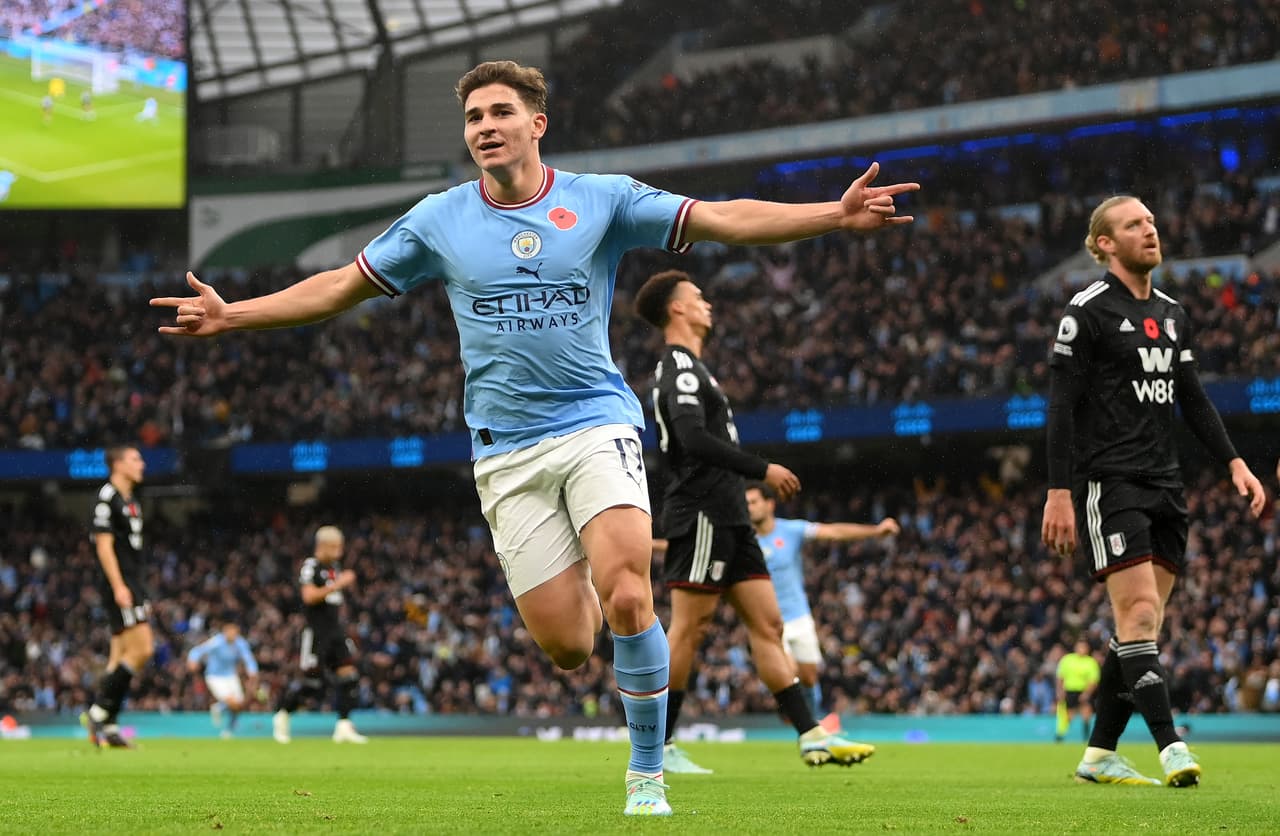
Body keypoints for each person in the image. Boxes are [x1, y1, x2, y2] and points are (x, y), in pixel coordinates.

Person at [151, 60, 917, 816]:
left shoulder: (602, 201)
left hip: (596, 422)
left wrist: (831, 214)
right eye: (474, 117)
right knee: (567, 647)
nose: (485, 126)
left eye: (499, 113)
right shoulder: (438, 219)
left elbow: (724, 216)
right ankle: (591, 589)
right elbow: (339, 287)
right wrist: (233, 314)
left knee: (627, 592)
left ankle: (645, 775)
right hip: (506, 452)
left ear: (536, 124)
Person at [1040, 194, 1266, 788]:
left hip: (1167, 483)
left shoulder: (1171, 313)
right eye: (1135, 224)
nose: (1151, 230)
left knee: (1141, 627)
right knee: (1139, 613)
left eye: (1152, 222)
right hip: (1109, 482)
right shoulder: (1084, 312)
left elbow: (1192, 397)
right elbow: (1060, 408)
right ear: (1105, 244)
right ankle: (1171, 747)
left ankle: (1098, 754)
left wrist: (1234, 462)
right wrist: (1058, 492)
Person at [636, 269, 878, 777]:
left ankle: (812, 736)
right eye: (697, 297)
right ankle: (659, 749)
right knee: (688, 632)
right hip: (701, 513)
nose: (707, 304)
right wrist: (760, 468)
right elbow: (692, 439)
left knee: (768, 625)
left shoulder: (698, 370)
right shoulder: (678, 368)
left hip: (730, 517)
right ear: (677, 309)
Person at [745, 480, 900, 725]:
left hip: (799, 617)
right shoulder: (743, 539)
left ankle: (809, 720)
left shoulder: (791, 531)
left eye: (753, 502)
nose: (749, 507)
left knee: (808, 677)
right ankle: (804, 722)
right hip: (769, 622)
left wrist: (875, 531)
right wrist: (659, 544)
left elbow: (833, 532)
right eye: (746, 504)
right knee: (787, 672)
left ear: (770, 504)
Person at [80, 446, 152, 749]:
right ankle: (98, 712)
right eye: (135, 459)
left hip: (133, 582)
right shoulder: (107, 497)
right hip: (121, 585)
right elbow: (104, 546)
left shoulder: (130, 501)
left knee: (119, 656)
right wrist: (119, 585)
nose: (142, 464)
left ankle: (108, 726)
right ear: (118, 464)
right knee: (143, 649)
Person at [272, 525, 368, 745]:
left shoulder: (334, 566)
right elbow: (309, 596)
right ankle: (283, 713)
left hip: (335, 631)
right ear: (322, 546)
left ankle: (343, 726)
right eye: (334, 547)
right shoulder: (311, 566)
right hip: (316, 633)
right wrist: (338, 584)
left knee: (350, 676)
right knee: (313, 685)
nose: (339, 551)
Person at [187, 621, 260, 738]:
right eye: (230, 632)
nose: (233, 635)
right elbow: (198, 650)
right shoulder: (217, 642)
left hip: (231, 676)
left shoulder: (240, 643)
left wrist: (252, 671)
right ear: (225, 632)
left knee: (239, 706)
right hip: (215, 677)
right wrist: (192, 660)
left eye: (235, 632)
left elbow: (248, 658)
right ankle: (222, 712)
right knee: (233, 702)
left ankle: (226, 723)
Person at [1054, 639, 1100, 742]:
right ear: (1075, 647)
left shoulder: (1090, 662)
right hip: (1069, 691)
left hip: (1083, 691)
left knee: (1086, 713)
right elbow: (1060, 676)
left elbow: (1093, 680)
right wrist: (1060, 690)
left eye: (1084, 647)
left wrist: (1087, 693)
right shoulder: (1067, 660)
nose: (1082, 649)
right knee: (1069, 715)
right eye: (1080, 647)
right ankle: (1060, 736)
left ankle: (1087, 738)